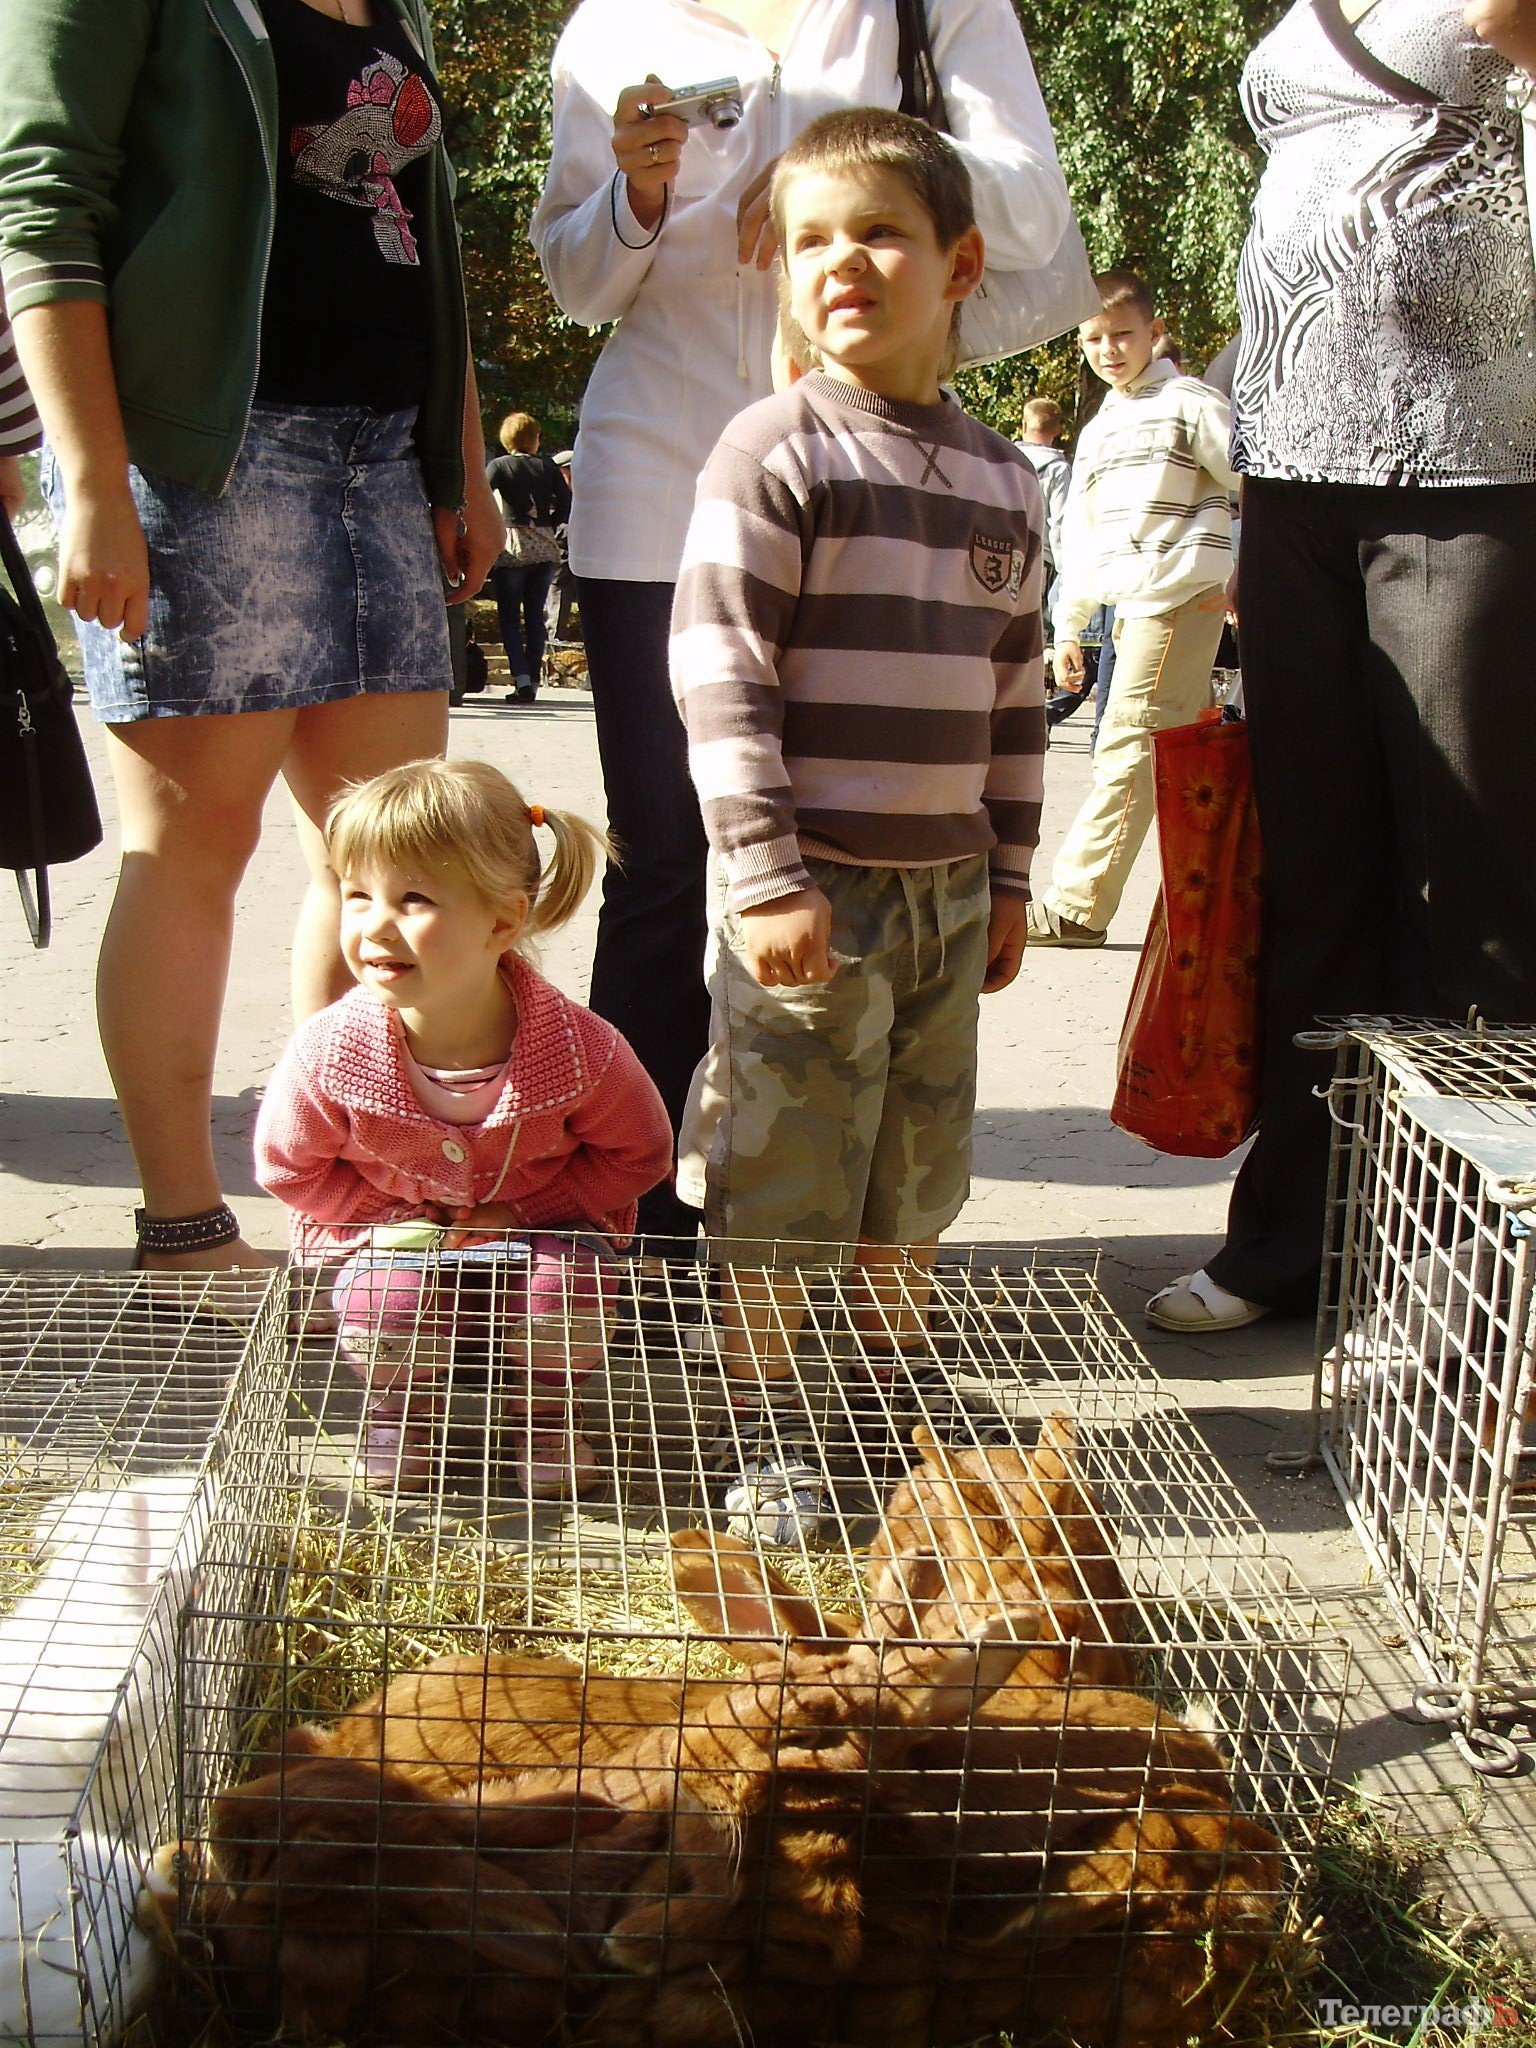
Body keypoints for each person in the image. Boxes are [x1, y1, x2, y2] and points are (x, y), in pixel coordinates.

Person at [531, 0, 1075, 1244]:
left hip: (888, 470)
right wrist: (637, 193)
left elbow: (1028, 202)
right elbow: (571, 276)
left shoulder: (933, 5)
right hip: (665, 464)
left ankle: (834, 1280)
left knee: (866, 883)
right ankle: (640, 1234)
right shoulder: (610, 24)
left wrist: (838, 159)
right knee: (670, 862)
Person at [0, 0, 504, 1278]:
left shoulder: (403, 6)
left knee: (383, 858)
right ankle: (182, 1224)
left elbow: (421, 231)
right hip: (202, 459)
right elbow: (42, 202)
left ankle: (344, 1204)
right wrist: (95, 482)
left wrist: (461, 456)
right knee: (188, 854)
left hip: (384, 455)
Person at [671, 109, 1042, 1539]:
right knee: (787, 1171)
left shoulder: (1004, 474)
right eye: (812, 239)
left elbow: (1015, 697)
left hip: (947, 886)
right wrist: (763, 875)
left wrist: (1009, 875)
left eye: (879, 231)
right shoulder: (776, 449)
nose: (843, 262)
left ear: (957, 264)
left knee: (916, 1164)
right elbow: (717, 672)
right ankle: (768, 1424)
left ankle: (883, 1396)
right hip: (809, 890)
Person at [1147, 0, 1536, 1333]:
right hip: (1299, 475)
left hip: (1475, 470)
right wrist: (1254, 495)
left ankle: (1482, 1291)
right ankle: (1295, 1243)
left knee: (1473, 887)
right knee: (1315, 880)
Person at [254, 760, 674, 1496]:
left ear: (504, 922)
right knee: (383, 1301)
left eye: (412, 898)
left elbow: (640, 1153)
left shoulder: (580, 1051)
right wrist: (393, 1220)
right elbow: (290, 1170)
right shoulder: (330, 1051)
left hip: (544, 1236)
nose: (375, 925)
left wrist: (520, 1212)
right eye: (357, 895)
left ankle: (546, 1410)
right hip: (397, 1244)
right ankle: (403, 1408)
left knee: (564, 1291)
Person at [1026, 270, 1236, 949]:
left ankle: (1077, 908)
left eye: (1122, 334)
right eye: (1093, 337)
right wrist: (1067, 630)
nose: (1109, 349)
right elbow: (1080, 541)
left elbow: (1251, 479)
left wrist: (1241, 574)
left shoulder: (1189, 402)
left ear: (1154, 332)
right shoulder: (1102, 425)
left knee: (1129, 747)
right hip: (1127, 606)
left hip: (1178, 594)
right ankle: (1186, 904)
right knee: (1139, 751)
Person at [485, 411, 571, 703]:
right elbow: (567, 500)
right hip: (544, 544)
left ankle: (520, 678)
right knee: (536, 615)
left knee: (509, 616)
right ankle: (533, 680)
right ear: (533, 439)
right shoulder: (547, 466)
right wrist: (552, 521)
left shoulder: (498, 466)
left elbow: (481, 497)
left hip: (513, 543)